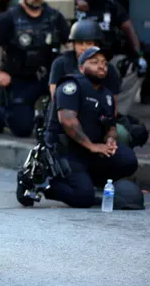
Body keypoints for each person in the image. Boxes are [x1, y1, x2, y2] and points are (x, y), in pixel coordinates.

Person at [36, 46, 138, 208]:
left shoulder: (107, 96)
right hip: (66, 152)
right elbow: (67, 120)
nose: (101, 66)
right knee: (83, 198)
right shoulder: (71, 86)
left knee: (128, 160)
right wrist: (92, 146)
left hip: (90, 152)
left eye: (104, 63)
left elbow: (110, 124)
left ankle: (90, 181)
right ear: (82, 68)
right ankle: (42, 184)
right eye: (94, 62)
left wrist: (110, 139)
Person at [0, 0, 69, 137]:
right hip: (18, 79)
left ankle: (43, 115)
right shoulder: (10, 17)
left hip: (47, 77)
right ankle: (1, 115)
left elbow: (68, 43)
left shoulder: (54, 17)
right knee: (22, 129)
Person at [52, 0, 144, 115]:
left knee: (135, 68)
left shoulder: (111, 3)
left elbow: (128, 28)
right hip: (78, 56)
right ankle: (68, 107)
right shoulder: (75, 1)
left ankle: (116, 112)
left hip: (107, 55)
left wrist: (139, 56)